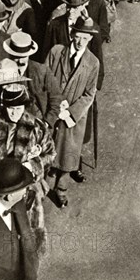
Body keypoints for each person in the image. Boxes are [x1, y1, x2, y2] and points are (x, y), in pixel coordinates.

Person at [0, 83, 55, 243]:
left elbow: (50, 153)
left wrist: (33, 164)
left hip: (27, 188)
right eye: (10, 108)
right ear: (3, 106)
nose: (14, 113)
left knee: (28, 231)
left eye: (19, 108)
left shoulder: (36, 127)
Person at [45, 16, 100, 207]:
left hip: (72, 116)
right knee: (47, 145)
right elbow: (46, 77)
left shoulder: (93, 63)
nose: (80, 41)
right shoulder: (56, 52)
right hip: (52, 109)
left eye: (85, 38)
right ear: (72, 34)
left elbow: (89, 94)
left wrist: (70, 112)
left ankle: (61, 188)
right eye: (78, 36)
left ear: (90, 39)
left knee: (69, 153)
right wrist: (54, 103)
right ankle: (44, 182)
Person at [2, 31, 61, 125]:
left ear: (29, 54)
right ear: (9, 54)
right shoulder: (2, 70)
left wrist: (46, 123)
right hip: (10, 123)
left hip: (37, 123)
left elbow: (56, 100)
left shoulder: (43, 71)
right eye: (16, 57)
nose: (20, 61)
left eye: (23, 56)